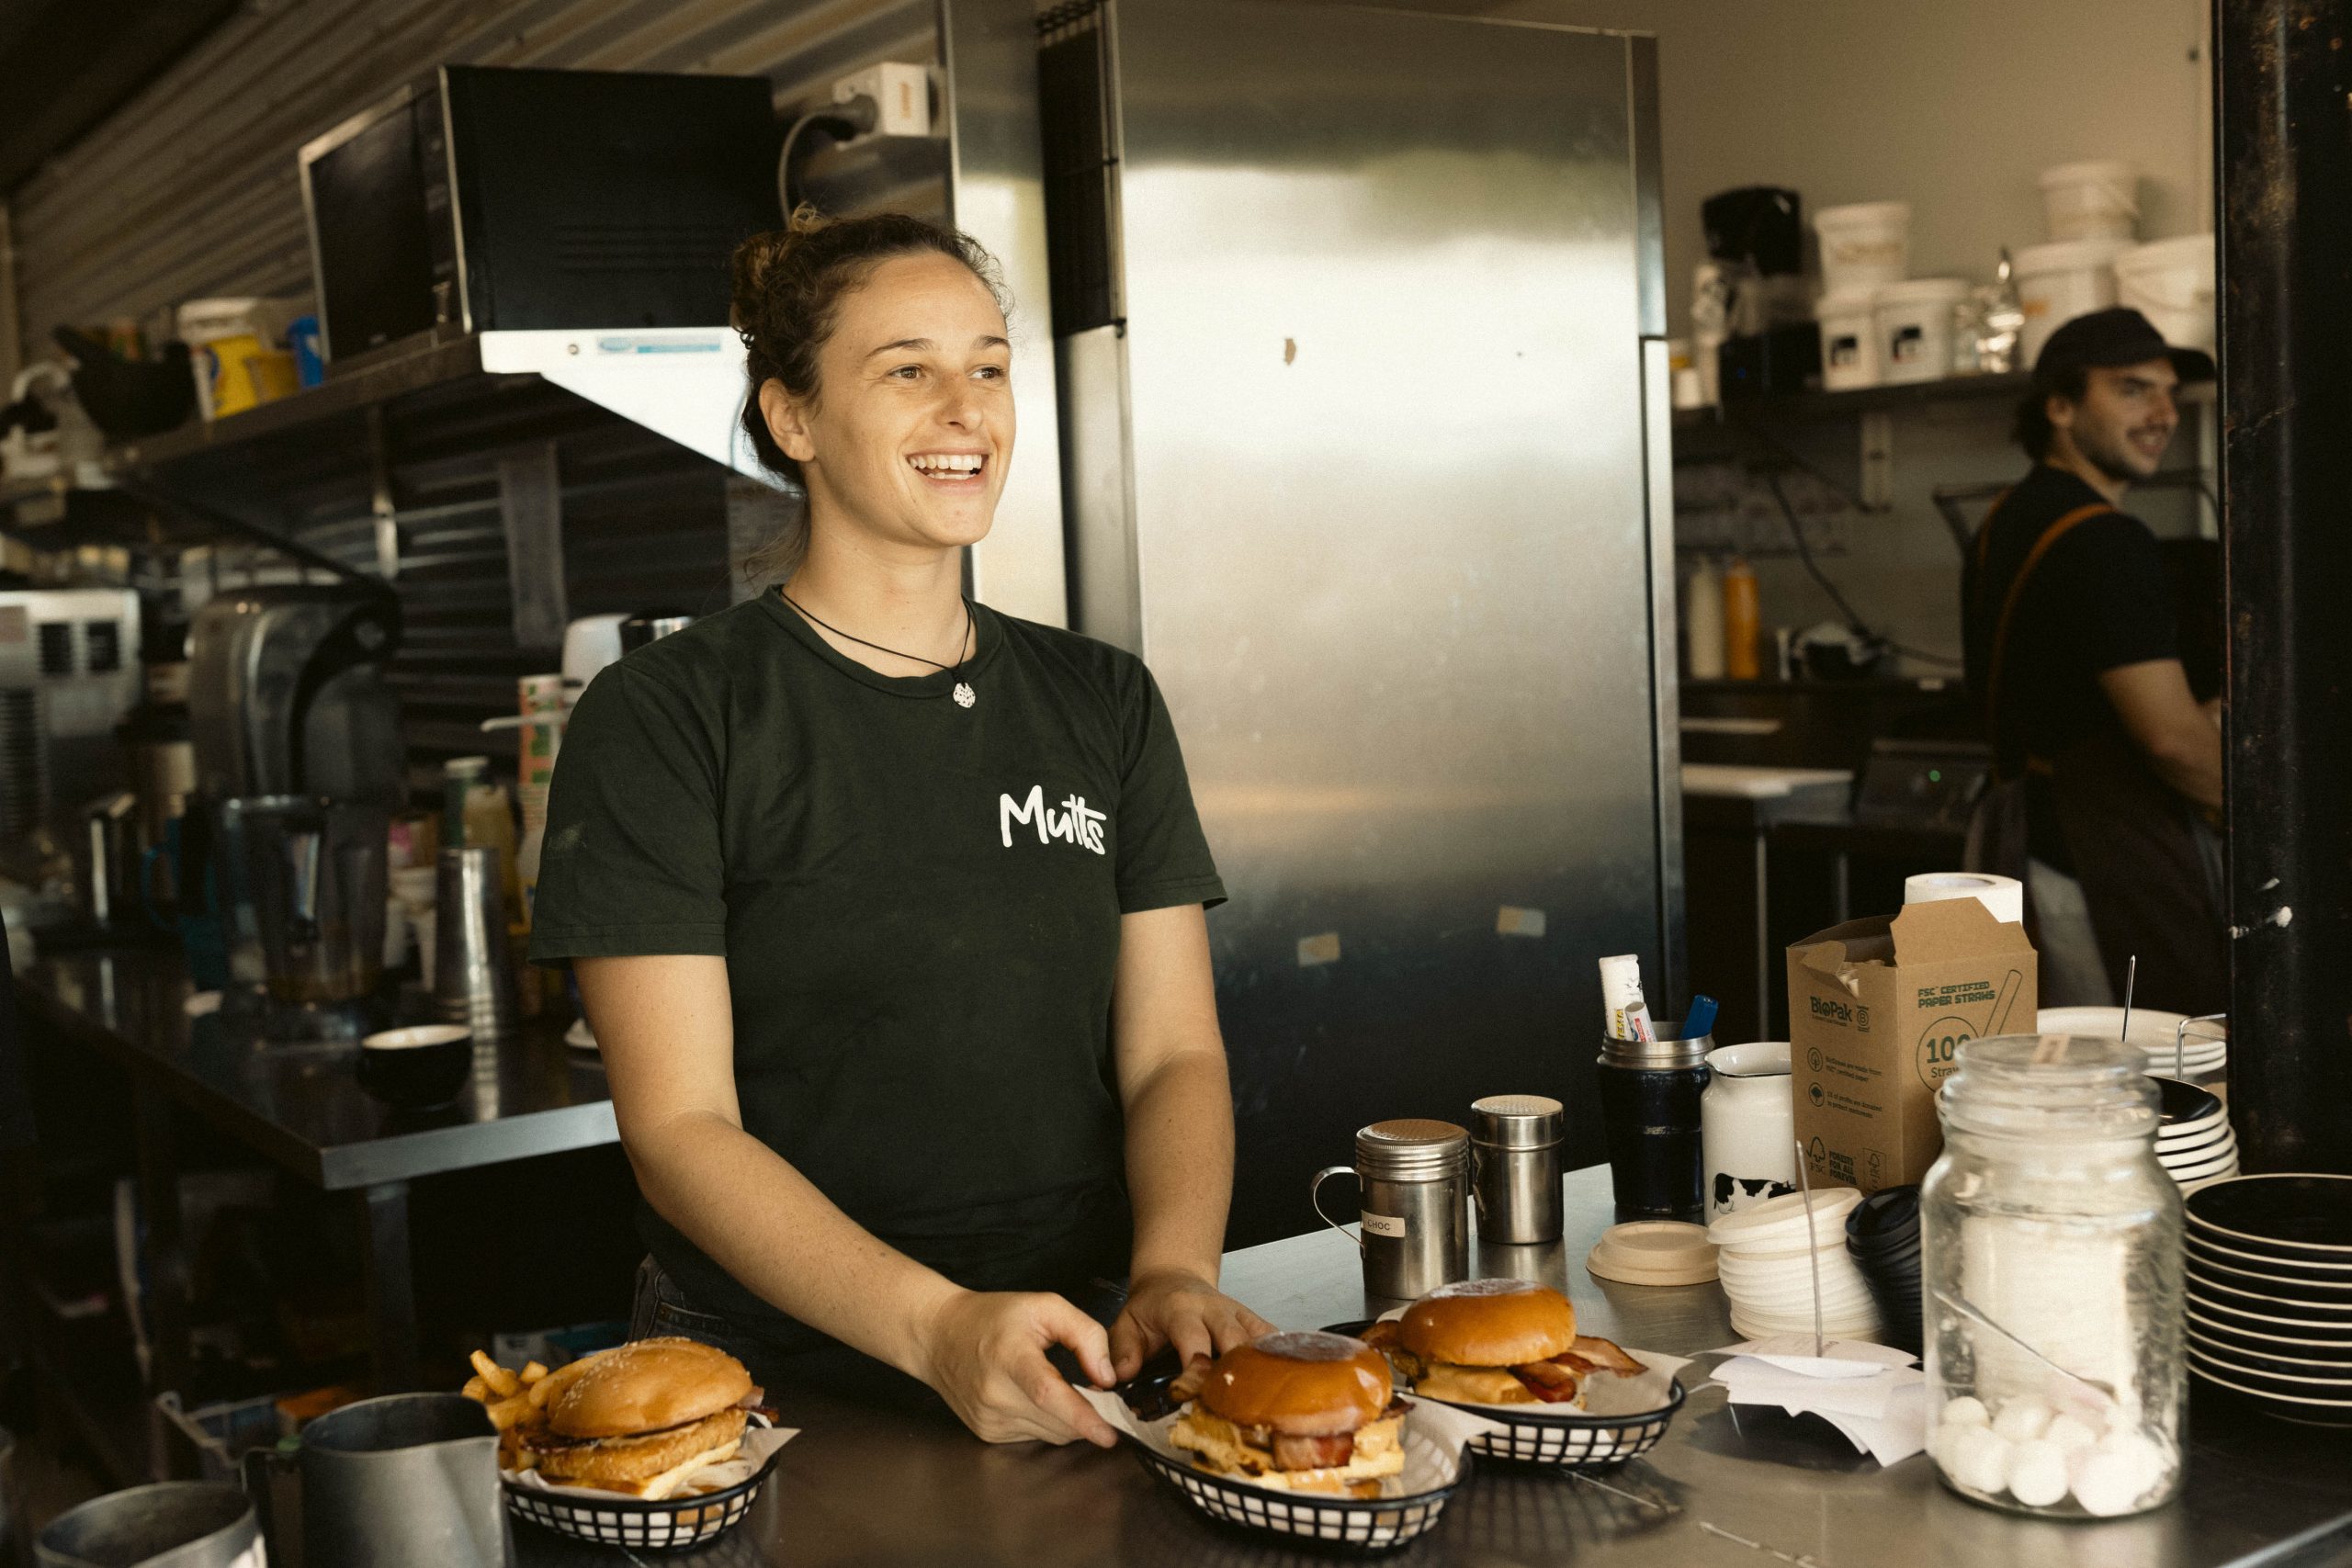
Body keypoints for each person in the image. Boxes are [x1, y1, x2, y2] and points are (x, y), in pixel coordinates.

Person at [529, 208, 1271, 1448]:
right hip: (767, 1368)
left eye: (987, 367)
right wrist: (933, 1324)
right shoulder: (670, 714)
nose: (966, 411)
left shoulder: (1102, 701)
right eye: (908, 371)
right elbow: (678, 1129)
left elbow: (1170, 1054)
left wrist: (1172, 1269)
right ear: (795, 417)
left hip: (1076, 1346)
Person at [1961, 307, 2223, 1015]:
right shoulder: (2107, 541)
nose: (2162, 413)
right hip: (2097, 866)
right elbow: (2170, 739)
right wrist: (2271, 819)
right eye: (2133, 389)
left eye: (2169, 393)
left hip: (2024, 848)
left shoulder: (2007, 519)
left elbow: (2064, 699)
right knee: (2134, 1080)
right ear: (2060, 406)